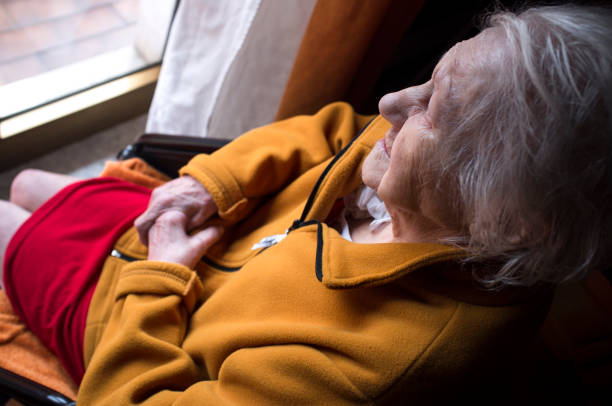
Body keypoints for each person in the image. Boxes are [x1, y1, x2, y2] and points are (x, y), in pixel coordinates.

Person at [1, 4, 611, 404]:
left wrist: (159, 275)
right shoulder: (434, 184)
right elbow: (332, 128)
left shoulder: (375, 367)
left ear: (505, 216)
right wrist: (209, 185)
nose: (395, 102)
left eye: (435, 110)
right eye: (431, 77)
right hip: (214, 237)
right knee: (27, 182)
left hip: (146, 321)